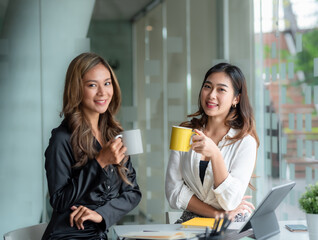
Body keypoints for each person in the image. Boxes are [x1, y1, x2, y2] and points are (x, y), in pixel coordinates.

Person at [42, 53, 141, 240]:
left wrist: (102, 214)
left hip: (100, 235)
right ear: (77, 89)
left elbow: (132, 192)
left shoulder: (113, 135)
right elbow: (59, 200)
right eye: (92, 85)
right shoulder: (62, 138)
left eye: (107, 83)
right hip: (68, 236)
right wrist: (99, 162)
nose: (103, 92)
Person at [165, 63, 259, 223]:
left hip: (232, 225)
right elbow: (173, 192)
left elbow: (230, 202)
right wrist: (217, 214)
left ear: (236, 98)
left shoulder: (245, 142)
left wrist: (215, 154)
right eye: (207, 87)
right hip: (191, 222)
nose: (211, 95)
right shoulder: (185, 133)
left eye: (221, 89)